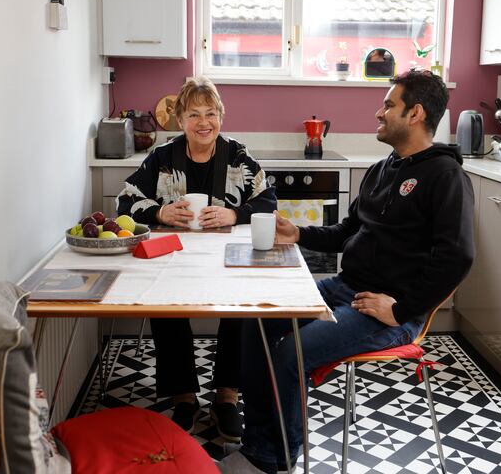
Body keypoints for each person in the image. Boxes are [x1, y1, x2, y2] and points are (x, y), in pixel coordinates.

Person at [219, 69, 475, 473]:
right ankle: (259, 442)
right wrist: (297, 233)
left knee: (291, 353)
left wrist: (402, 309)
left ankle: (273, 460)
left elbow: (458, 256)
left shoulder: (446, 177)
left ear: (416, 114)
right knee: (256, 320)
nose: (379, 112)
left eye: (389, 104)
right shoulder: (382, 168)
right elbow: (347, 232)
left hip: (386, 310)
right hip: (345, 288)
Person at [116, 76, 276, 442]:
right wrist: (159, 213)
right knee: (165, 307)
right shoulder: (161, 157)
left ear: (221, 115)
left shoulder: (238, 155)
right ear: (180, 120)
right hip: (174, 254)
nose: (203, 123)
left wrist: (236, 215)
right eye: (193, 115)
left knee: (241, 307)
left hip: (229, 256)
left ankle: (227, 396)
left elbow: (268, 201)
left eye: (210, 113)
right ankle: (184, 396)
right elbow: (124, 202)